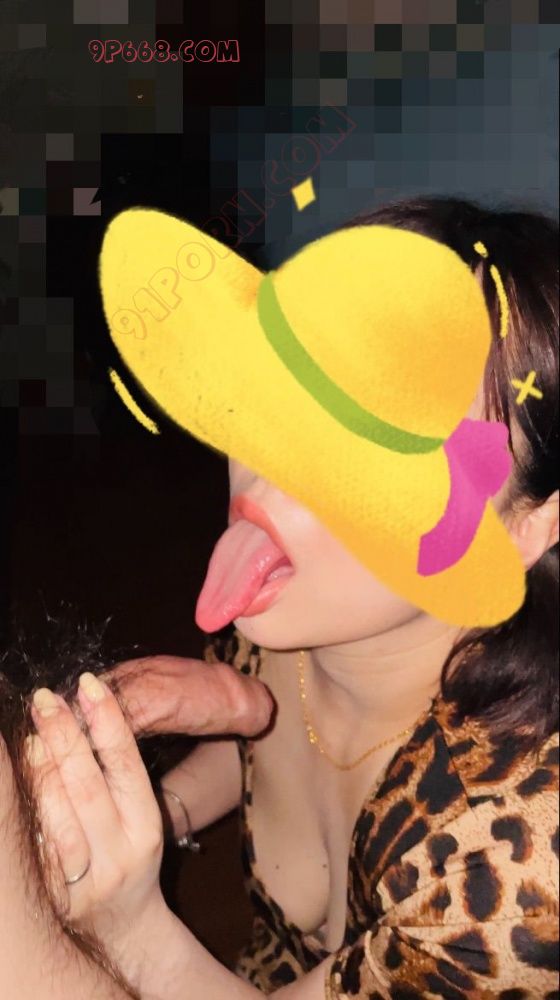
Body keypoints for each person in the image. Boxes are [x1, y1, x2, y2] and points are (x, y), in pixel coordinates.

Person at [14, 196, 560, 998]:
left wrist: (129, 928)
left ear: (524, 528)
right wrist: (142, 814)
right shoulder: (287, 614)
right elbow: (258, 753)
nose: (269, 466)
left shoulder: (523, 869)